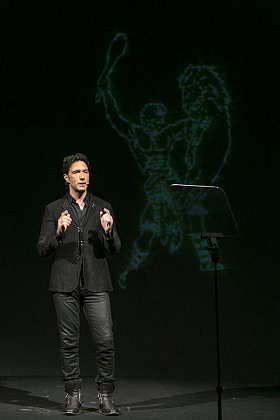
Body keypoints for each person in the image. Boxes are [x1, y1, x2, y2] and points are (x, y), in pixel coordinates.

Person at [37, 153, 121, 416]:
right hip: (65, 284)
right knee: (68, 341)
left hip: (96, 282)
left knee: (105, 339)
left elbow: (115, 248)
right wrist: (58, 231)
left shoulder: (102, 207)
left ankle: (105, 395)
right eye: (77, 172)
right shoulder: (53, 209)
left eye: (85, 171)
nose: (83, 176)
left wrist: (108, 231)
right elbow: (42, 248)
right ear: (67, 178)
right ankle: (73, 395)